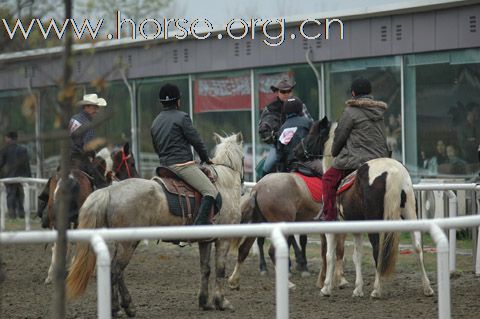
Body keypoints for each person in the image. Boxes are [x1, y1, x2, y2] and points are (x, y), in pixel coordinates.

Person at [320, 78, 389, 221]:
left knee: (328, 179)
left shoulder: (350, 112)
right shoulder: (380, 113)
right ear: (370, 93)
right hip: (381, 160)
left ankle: (329, 217)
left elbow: (339, 137)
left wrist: (334, 152)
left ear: (353, 93)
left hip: (356, 161)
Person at [151, 83, 217, 225]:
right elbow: (196, 141)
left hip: (164, 168)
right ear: (178, 101)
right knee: (210, 191)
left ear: (162, 102)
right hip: (182, 166)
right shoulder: (182, 117)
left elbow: (157, 148)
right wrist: (206, 158)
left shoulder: (155, 122)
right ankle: (199, 227)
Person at [36, 93, 109, 220]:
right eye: (94, 107)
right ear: (86, 107)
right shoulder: (89, 125)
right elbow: (88, 147)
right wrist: (93, 155)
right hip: (80, 159)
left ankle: (43, 207)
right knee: (100, 181)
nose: (96, 110)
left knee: (54, 179)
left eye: (97, 107)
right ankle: (104, 209)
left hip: (66, 157)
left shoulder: (74, 118)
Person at [258, 78, 311, 177]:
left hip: (301, 143)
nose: (286, 94)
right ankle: (260, 184)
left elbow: (310, 122)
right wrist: (271, 136)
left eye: (289, 91)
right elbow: (263, 128)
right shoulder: (270, 109)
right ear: (277, 93)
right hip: (280, 145)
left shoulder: (300, 105)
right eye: (283, 91)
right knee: (268, 165)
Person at [275, 97, 313, 172]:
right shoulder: (308, 122)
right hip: (307, 162)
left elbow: (280, 152)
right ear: (300, 109)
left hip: (289, 165)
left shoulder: (282, 128)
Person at [0, 131, 31, 219]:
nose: (5, 139)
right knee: (20, 196)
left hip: (9, 177)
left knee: (11, 196)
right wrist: (28, 176)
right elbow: (26, 164)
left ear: (9, 138)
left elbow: (1, 163)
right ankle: (21, 214)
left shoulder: (4, 150)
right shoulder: (23, 149)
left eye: (6, 137)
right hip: (21, 177)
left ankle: (12, 215)